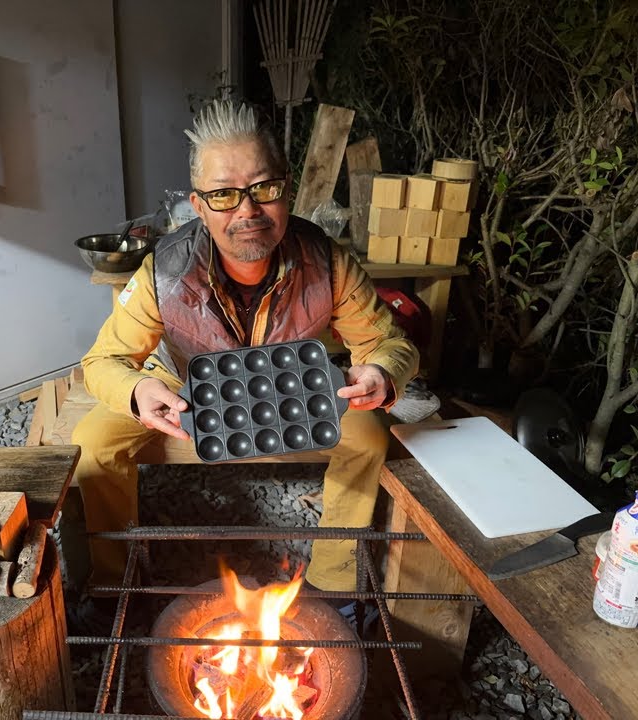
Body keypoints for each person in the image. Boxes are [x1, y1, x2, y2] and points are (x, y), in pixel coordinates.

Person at [70, 98, 419, 627]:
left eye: (265, 189)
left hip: (292, 384)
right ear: (199, 204)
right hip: (183, 381)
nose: (248, 211)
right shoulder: (164, 272)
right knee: (94, 442)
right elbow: (103, 360)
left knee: (369, 435)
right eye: (224, 195)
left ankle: (334, 583)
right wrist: (138, 393)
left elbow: (388, 341)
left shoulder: (326, 261)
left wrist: (382, 373)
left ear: (287, 188)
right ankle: (116, 584)